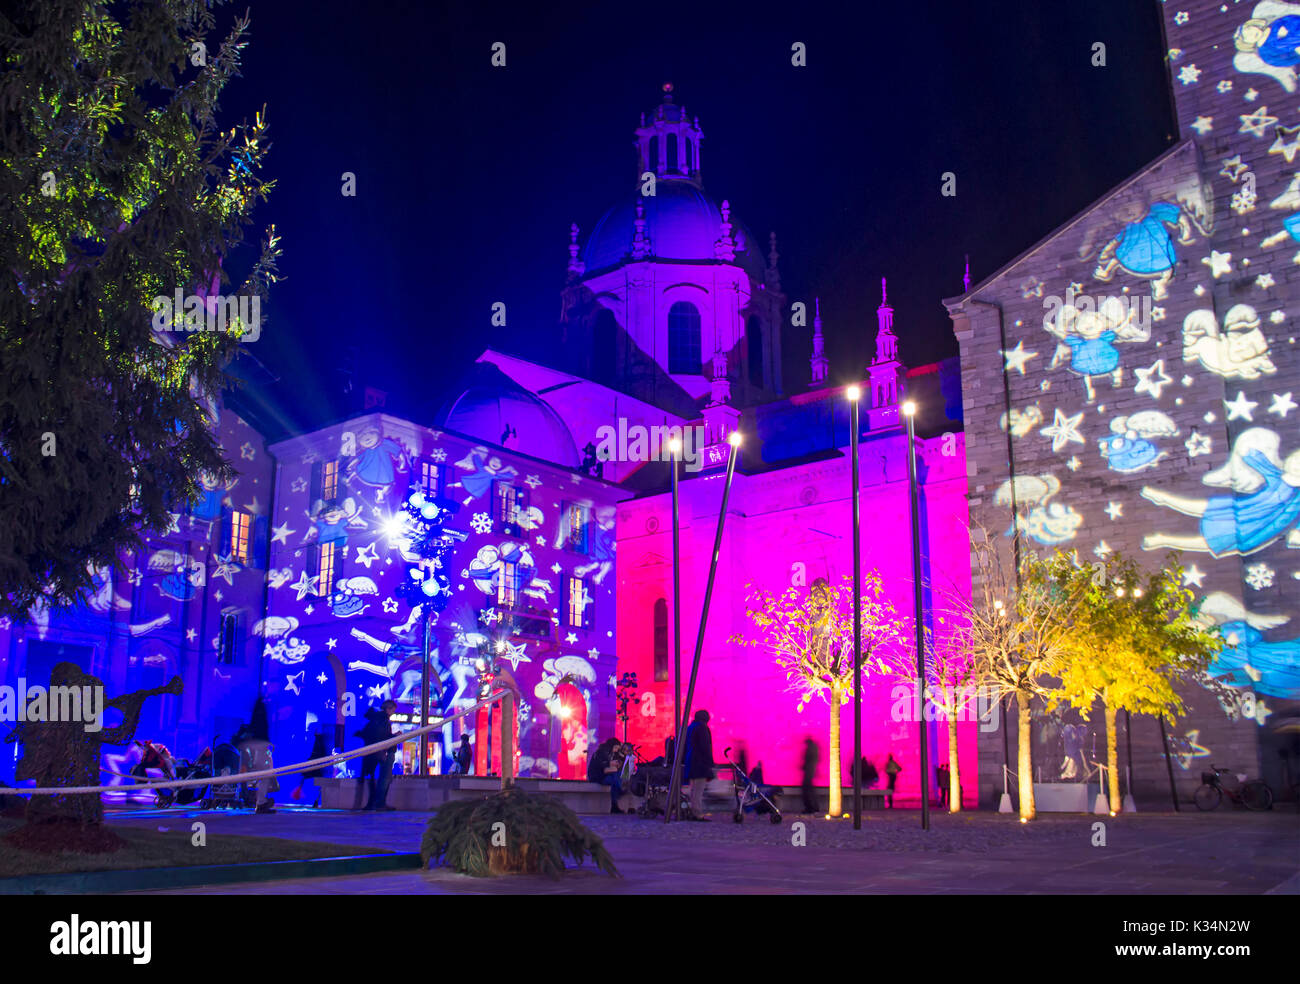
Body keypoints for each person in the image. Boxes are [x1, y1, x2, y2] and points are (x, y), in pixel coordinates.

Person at [234, 696, 277, 814]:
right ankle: (260, 802)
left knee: (259, 771)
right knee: (265, 772)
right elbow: (261, 728)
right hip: (260, 744)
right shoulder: (261, 710)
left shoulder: (258, 710)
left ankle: (258, 800)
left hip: (255, 743)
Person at [355, 699, 398, 811]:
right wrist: (396, 737)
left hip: (371, 753)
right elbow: (382, 737)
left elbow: (371, 735)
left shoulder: (373, 719)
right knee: (385, 778)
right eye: (393, 710)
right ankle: (379, 803)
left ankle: (372, 803)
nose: (393, 713)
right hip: (382, 752)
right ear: (389, 709)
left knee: (372, 778)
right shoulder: (383, 720)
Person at [683, 710, 714, 821]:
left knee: (693, 790)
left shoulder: (690, 727)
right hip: (700, 763)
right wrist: (710, 763)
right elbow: (705, 747)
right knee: (698, 790)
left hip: (690, 762)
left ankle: (693, 811)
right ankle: (697, 813)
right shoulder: (702, 728)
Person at [292, 731, 332, 808]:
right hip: (316, 763)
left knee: (315, 781)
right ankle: (313, 800)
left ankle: (312, 799)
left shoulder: (317, 741)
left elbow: (319, 753)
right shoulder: (316, 741)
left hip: (316, 763)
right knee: (316, 781)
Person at [588, 737, 626, 813]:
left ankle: (614, 805)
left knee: (616, 778)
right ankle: (616, 799)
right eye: (615, 748)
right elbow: (603, 768)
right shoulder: (601, 752)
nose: (616, 750)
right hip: (597, 776)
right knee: (615, 779)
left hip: (604, 775)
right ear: (611, 746)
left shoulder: (610, 753)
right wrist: (611, 764)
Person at [801, 737, 820, 814]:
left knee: (807, 789)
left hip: (809, 772)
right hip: (810, 772)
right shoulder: (814, 748)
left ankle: (810, 807)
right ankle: (813, 807)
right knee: (810, 789)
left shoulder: (811, 748)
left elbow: (808, 760)